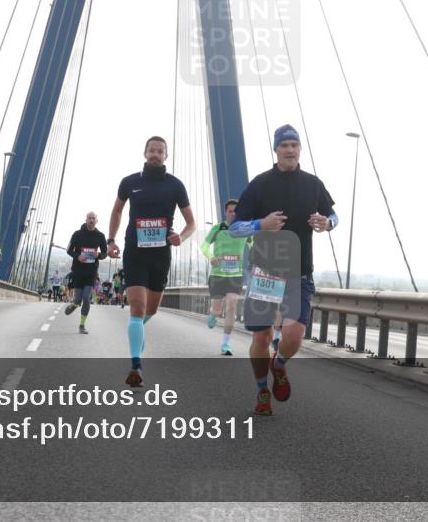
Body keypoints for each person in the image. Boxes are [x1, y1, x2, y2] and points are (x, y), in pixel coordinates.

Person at [229, 124, 338, 416]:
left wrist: (328, 223)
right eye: (284, 145)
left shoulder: (313, 184)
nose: (290, 150)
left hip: (299, 274)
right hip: (264, 275)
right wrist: (260, 224)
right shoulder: (260, 184)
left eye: (294, 145)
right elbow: (234, 228)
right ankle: (262, 390)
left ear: (300, 149)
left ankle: (278, 366)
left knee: (293, 337)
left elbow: (333, 214)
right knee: (261, 338)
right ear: (276, 150)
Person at [107, 136, 196, 387]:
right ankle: (136, 365)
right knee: (137, 307)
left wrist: (182, 237)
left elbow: (191, 222)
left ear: (166, 156)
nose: (156, 155)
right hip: (135, 252)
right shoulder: (130, 182)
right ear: (145, 154)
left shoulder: (175, 185)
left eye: (160, 151)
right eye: (152, 151)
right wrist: (111, 241)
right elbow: (117, 211)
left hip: (160, 255)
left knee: (151, 310)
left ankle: (136, 331)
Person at [202, 199, 251, 355]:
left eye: (236, 211)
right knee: (217, 309)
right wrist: (211, 257)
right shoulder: (218, 228)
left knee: (232, 304)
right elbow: (204, 245)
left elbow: (254, 246)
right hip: (217, 275)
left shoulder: (245, 230)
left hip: (235, 275)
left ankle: (225, 344)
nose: (233, 214)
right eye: (230, 211)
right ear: (226, 212)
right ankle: (213, 314)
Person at [65, 212, 108, 333]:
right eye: (89, 218)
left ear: (96, 221)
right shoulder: (77, 234)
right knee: (78, 299)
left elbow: (104, 253)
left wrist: (98, 255)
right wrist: (78, 256)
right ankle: (74, 304)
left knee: (86, 297)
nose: (91, 220)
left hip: (91, 272)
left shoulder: (100, 236)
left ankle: (82, 325)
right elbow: (69, 250)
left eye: (93, 218)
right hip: (78, 271)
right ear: (86, 220)